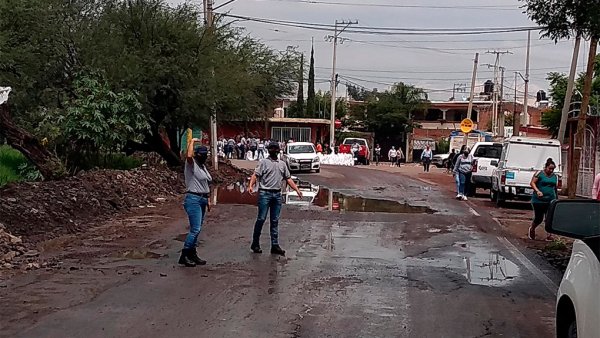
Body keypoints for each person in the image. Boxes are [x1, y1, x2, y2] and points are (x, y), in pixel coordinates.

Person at [249, 142, 303, 256]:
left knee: (275, 220)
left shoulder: (282, 164)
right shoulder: (263, 162)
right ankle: (255, 243)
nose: (273, 151)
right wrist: (251, 185)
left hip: (277, 195)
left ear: (278, 151)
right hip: (265, 193)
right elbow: (255, 175)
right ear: (269, 150)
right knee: (261, 219)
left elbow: (288, 179)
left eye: (275, 149)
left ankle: (274, 245)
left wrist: (297, 190)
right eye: (271, 149)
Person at [178, 139, 212, 267]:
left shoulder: (203, 167)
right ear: (197, 154)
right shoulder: (191, 165)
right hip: (193, 199)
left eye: (205, 154)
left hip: (202, 198)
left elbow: (206, 183)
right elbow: (188, 155)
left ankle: (192, 253)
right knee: (195, 229)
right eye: (201, 154)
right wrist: (192, 141)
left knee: (197, 229)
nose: (204, 156)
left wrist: (208, 199)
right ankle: (184, 254)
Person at [529, 158, 559, 240]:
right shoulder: (539, 174)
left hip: (550, 200)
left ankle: (549, 235)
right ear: (546, 167)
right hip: (538, 201)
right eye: (550, 168)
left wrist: (556, 198)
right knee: (539, 218)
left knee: (549, 218)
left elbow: (555, 188)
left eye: (553, 169)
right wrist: (537, 191)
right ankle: (532, 229)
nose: (551, 170)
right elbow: (532, 183)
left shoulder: (555, 176)